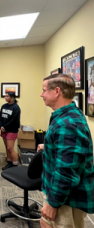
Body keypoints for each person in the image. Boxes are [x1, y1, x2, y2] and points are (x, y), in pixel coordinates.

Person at [38, 74, 94, 228]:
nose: (41, 94)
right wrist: (48, 145)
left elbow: (66, 172)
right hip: (62, 195)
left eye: (44, 90)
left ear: (57, 91)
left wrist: (52, 204)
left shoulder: (68, 124)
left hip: (66, 199)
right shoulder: (66, 116)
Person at [0, 91, 21, 170]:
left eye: (7, 96)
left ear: (12, 97)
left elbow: (14, 120)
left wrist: (5, 127)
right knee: (7, 148)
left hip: (12, 130)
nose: (5, 97)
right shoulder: (4, 106)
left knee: (10, 148)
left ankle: (15, 165)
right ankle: (9, 163)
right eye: (5, 96)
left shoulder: (16, 107)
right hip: (3, 129)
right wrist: (0, 126)